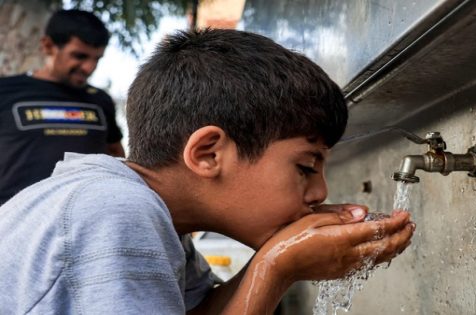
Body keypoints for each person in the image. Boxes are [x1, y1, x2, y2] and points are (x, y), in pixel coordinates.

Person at [0, 29, 415, 314]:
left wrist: (280, 261)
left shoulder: (158, 219)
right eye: (305, 166)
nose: (319, 192)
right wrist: (276, 266)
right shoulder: (114, 210)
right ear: (207, 154)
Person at [0, 9, 124, 205]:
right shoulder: (6, 92)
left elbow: (116, 155)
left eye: (97, 59)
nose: (89, 68)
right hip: (14, 225)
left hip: (88, 220)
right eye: (80, 56)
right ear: (48, 45)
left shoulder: (100, 100)